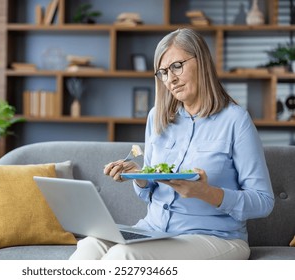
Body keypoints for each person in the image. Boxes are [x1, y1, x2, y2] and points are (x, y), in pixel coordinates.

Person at [69, 28, 274, 260]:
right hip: (154, 230)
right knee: (89, 247)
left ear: (202, 62)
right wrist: (139, 177)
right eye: (163, 72)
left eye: (177, 66)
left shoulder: (235, 120)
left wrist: (206, 193)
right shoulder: (157, 117)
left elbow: (263, 201)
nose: (170, 79)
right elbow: (148, 194)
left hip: (215, 238)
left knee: (122, 257)